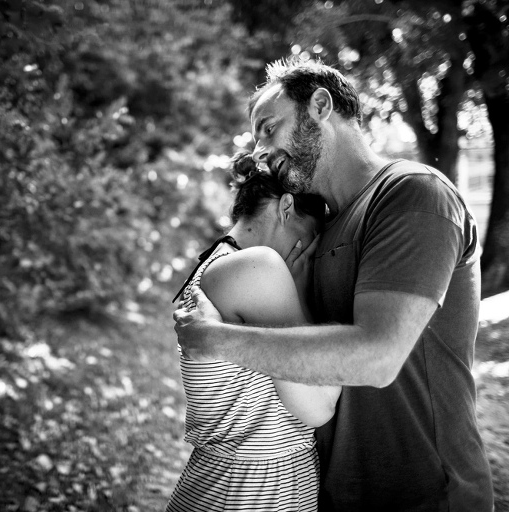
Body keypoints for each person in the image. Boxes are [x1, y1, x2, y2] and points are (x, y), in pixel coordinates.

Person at [173, 58, 494, 511]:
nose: (260, 151)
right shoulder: (321, 226)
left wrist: (215, 339)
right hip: (334, 492)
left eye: (269, 128)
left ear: (321, 106)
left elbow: (377, 357)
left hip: (424, 493)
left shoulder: (411, 193)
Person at [166, 152, 341, 512]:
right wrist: (301, 284)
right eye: (310, 237)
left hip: (232, 486)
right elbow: (318, 407)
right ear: (286, 208)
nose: (308, 251)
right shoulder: (258, 268)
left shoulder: (215, 263)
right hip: (249, 494)